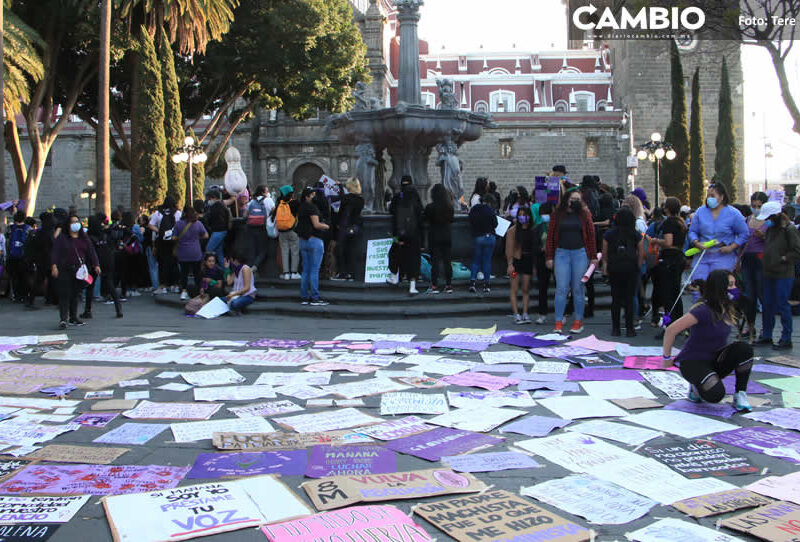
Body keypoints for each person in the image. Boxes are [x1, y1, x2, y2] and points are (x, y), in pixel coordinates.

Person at [662, 269, 754, 412]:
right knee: (715, 395)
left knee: (745, 349)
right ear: (720, 287)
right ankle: (695, 387)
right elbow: (671, 330)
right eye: (730, 285)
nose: (734, 289)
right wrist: (667, 358)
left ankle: (740, 394)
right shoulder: (703, 310)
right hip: (693, 362)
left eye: (734, 284)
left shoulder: (727, 308)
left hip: (715, 360)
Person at [546, 186, 597, 333]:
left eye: (578, 199)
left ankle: (578, 321)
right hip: (561, 253)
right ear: (567, 199)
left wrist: (593, 256)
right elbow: (550, 236)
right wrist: (549, 256)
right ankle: (558, 321)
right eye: (572, 199)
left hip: (580, 253)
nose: (574, 201)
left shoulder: (584, 214)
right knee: (561, 288)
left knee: (578, 288)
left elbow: (591, 235)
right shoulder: (557, 214)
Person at [753, 201, 800, 349]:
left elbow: (796, 250)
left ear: (776, 215)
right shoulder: (771, 229)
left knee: (782, 304)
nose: (766, 220)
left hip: (784, 273)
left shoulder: (789, 229)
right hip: (769, 271)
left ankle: (786, 338)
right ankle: (767, 335)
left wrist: (783, 259)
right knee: (767, 304)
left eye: (768, 217)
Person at [688, 183, 750, 281]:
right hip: (702, 254)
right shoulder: (700, 212)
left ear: (722, 197)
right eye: (708, 195)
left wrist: (731, 247)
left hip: (723, 255)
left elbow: (744, 233)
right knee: (698, 285)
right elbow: (692, 231)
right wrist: (696, 242)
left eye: (713, 196)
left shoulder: (733, 213)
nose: (709, 198)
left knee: (718, 285)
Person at [51, 215, 100, 329]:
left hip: (78, 270)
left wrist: (96, 264)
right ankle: (63, 319)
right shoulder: (62, 238)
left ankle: (73, 317)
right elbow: (55, 252)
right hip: (64, 269)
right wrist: (54, 266)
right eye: (72, 222)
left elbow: (91, 252)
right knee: (65, 294)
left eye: (77, 221)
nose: (75, 224)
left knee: (75, 294)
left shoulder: (84, 238)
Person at [602, 208, 644, 336]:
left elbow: (604, 254)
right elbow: (641, 253)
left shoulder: (609, 234)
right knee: (629, 298)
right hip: (630, 267)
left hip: (615, 267)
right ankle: (630, 328)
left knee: (615, 298)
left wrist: (605, 268)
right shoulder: (636, 234)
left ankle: (616, 328)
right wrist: (638, 266)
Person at [652, 197, 688, 327]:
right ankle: (678, 321)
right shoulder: (681, 222)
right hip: (679, 257)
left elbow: (668, 242)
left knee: (667, 293)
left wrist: (656, 241)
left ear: (667, 208)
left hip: (669, 259)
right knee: (675, 291)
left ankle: (669, 323)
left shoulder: (668, 223)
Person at [387, 176, 424, 294]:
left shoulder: (398, 196)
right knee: (413, 258)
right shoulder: (415, 196)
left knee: (394, 254)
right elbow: (420, 214)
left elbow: (392, 211)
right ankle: (412, 286)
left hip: (399, 234)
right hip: (414, 234)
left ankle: (395, 276)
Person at [83, 214, 123, 319]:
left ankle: (88, 310)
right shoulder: (105, 233)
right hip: (108, 260)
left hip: (95, 262)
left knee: (90, 285)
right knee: (110, 284)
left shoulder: (89, 235)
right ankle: (118, 308)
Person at [297, 186, 330, 305]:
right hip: (314, 240)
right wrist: (326, 226)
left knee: (305, 269)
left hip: (303, 240)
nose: (314, 196)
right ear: (307, 197)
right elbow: (316, 224)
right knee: (314, 270)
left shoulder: (301, 207)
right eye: (312, 194)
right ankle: (315, 297)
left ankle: (304, 296)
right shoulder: (312, 207)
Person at [741, 192, 769, 325]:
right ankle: (750, 327)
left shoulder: (769, 220)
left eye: (759, 206)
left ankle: (766, 329)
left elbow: (773, 242)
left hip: (761, 258)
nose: (756, 208)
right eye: (754, 206)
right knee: (749, 296)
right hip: (747, 258)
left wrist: (764, 237)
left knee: (762, 294)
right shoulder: (747, 219)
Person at [506, 205, 536, 324]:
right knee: (514, 288)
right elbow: (509, 249)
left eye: (525, 215)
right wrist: (510, 264)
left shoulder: (532, 230)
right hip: (516, 262)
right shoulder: (512, 231)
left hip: (527, 260)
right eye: (521, 215)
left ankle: (525, 312)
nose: (523, 217)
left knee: (526, 288)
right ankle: (516, 313)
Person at [424, 183, 455, 294]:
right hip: (447, 236)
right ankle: (448, 285)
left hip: (434, 236)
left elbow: (425, 219)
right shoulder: (449, 207)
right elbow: (452, 220)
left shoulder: (430, 207)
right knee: (447, 261)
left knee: (435, 262)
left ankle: (434, 285)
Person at [174, 206, 209, 301]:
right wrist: (197, 238)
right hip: (196, 252)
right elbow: (206, 235)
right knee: (197, 273)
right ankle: (199, 291)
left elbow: (174, 237)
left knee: (184, 273)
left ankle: (184, 291)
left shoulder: (178, 224)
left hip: (183, 252)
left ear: (184, 213)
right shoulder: (198, 224)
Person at [148, 196, 181, 294]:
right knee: (174, 263)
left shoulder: (158, 213)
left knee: (162, 264)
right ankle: (174, 285)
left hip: (161, 242)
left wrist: (160, 231)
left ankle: (163, 286)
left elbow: (150, 225)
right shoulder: (177, 213)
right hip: (173, 241)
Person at [334, 178, 365, 281]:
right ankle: (352, 273)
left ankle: (343, 272)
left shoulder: (346, 199)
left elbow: (341, 212)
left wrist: (337, 224)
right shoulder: (361, 199)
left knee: (342, 249)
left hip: (345, 226)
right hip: (355, 227)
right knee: (352, 250)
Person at [25, 212, 57, 308]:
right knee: (48, 280)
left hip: (41, 260)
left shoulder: (39, 232)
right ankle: (48, 299)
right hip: (48, 260)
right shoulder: (50, 232)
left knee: (40, 280)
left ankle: (33, 299)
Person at [468, 194, 498, 293]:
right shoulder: (490, 210)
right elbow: (495, 224)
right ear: (489, 202)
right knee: (487, 261)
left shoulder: (474, 210)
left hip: (478, 237)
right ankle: (486, 285)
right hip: (490, 237)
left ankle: (472, 282)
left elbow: (470, 221)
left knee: (476, 261)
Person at [243, 185, 274, 276]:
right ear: (263, 192)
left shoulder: (251, 202)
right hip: (262, 227)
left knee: (252, 249)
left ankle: (251, 266)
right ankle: (255, 266)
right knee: (263, 249)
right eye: (267, 191)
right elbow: (274, 211)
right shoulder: (268, 200)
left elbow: (245, 215)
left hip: (251, 227)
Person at [532, 203, 553, 324]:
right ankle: (542, 313)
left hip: (556, 259)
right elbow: (534, 246)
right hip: (541, 260)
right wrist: (541, 249)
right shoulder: (537, 229)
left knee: (561, 288)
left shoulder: (555, 227)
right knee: (542, 288)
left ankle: (563, 312)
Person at [273, 185, 300, 280]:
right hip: (292, 230)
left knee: (284, 252)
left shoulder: (279, 204)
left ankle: (286, 273)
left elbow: (273, 217)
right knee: (294, 251)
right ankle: (294, 272)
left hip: (281, 231)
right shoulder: (295, 203)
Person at [5, 210, 31, 302]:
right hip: (24, 257)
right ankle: (25, 295)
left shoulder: (10, 228)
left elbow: (7, 242)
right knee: (25, 276)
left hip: (13, 257)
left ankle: (17, 296)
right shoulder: (28, 229)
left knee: (14, 277)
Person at [205, 189, 230, 266]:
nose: (209, 200)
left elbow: (210, 218)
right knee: (219, 253)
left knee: (208, 251)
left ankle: (207, 271)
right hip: (223, 231)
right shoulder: (222, 205)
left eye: (210, 198)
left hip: (217, 231)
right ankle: (224, 273)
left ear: (215, 198)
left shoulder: (216, 207)